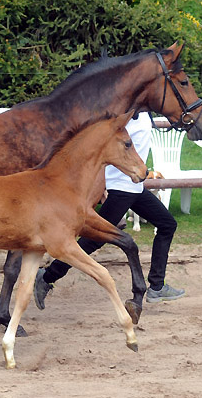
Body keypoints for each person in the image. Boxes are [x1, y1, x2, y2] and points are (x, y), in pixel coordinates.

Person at [34, 113, 185, 310]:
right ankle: (47, 276)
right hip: (121, 187)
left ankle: (157, 286)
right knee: (94, 240)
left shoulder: (144, 114)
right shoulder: (124, 117)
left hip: (136, 187)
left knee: (167, 224)